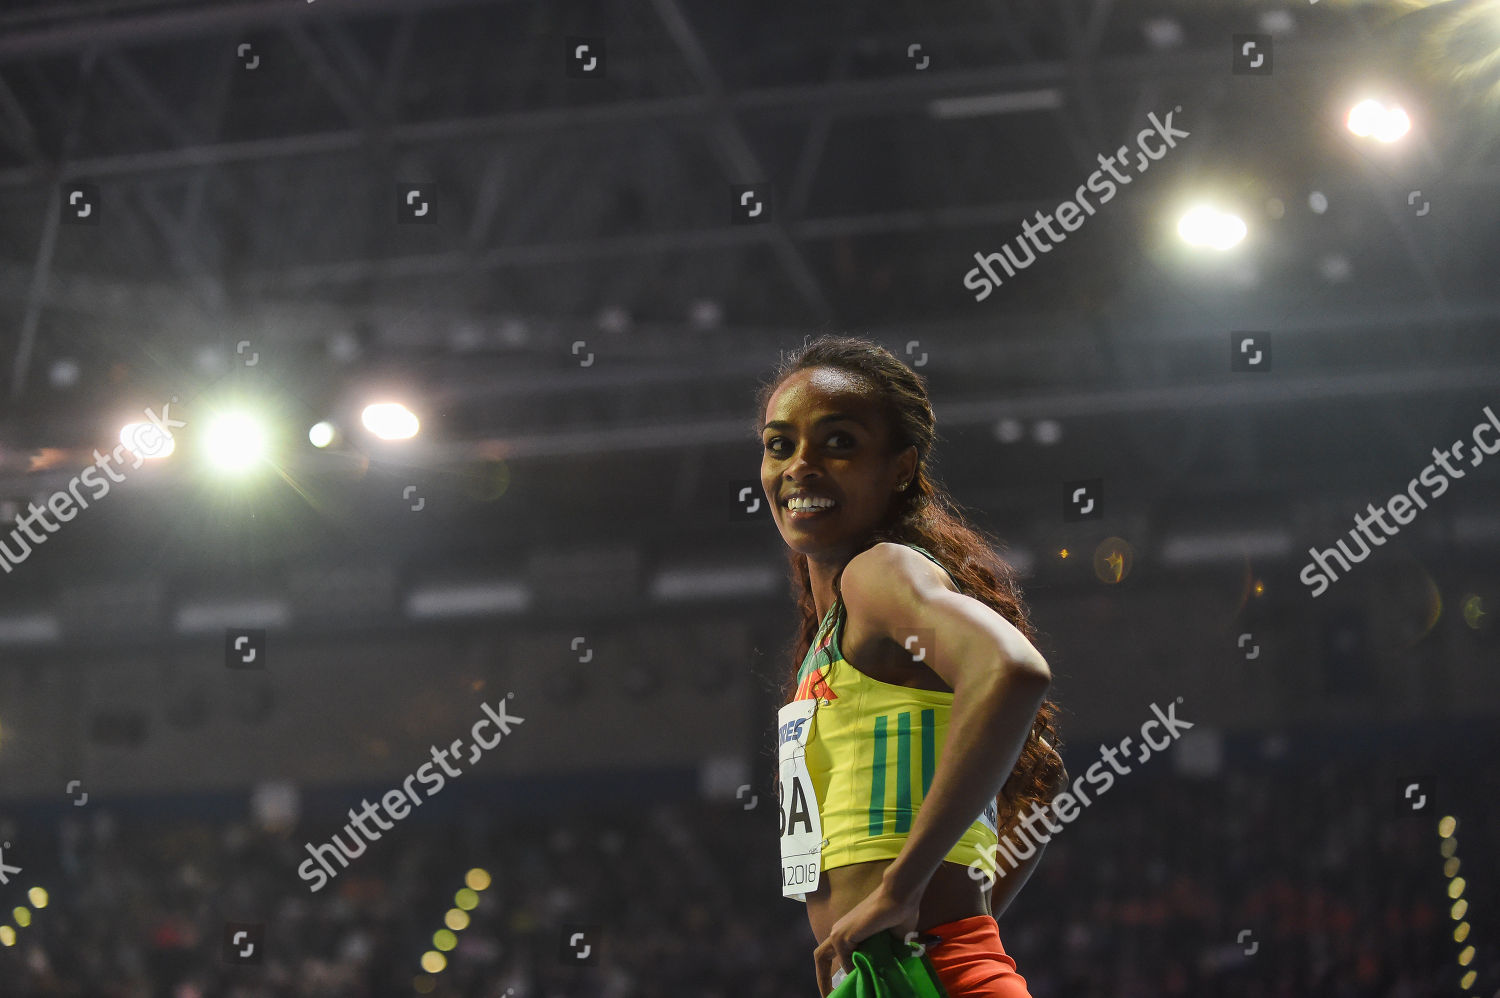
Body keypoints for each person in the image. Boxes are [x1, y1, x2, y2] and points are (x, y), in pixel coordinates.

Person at [756, 335, 1068, 997]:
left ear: (901, 468)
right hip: (891, 975)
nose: (799, 466)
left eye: (838, 443)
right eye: (779, 444)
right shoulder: (832, 629)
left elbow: (1012, 670)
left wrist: (904, 892)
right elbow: (1041, 783)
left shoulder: (880, 572)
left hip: (937, 973)